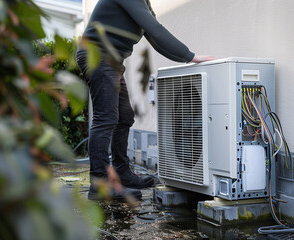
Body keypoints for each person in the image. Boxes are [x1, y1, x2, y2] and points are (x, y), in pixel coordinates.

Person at [76, 0, 215, 201]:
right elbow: (156, 30)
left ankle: (122, 173)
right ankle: (100, 184)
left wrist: (187, 57)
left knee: (124, 116)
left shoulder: (144, 4)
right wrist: (191, 56)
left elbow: (155, 37)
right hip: (97, 55)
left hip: (112, 60)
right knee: (105, 118)